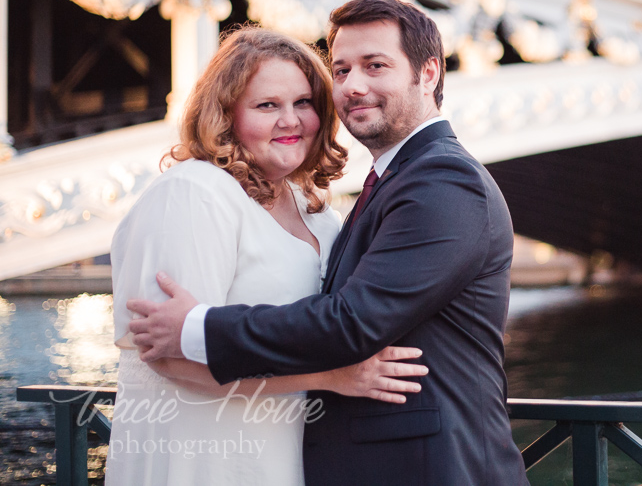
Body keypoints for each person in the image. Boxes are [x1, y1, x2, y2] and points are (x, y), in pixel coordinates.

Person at [128, 0, 530, 485]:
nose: (353, 86)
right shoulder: (382, 183)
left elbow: (352, 321)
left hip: (438, 468)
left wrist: (198, 327)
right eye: (340, 71)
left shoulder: (442, 180)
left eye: (375, 65)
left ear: (429, 73)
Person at [107, 26, 427, 486]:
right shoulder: (194, 194)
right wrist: (334, 376)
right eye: (267, 106)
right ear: (225, 115)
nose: (291, 121)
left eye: (304, 103)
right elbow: (171, 358)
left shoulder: (314, 210)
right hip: (201, 463)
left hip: (283, 459)